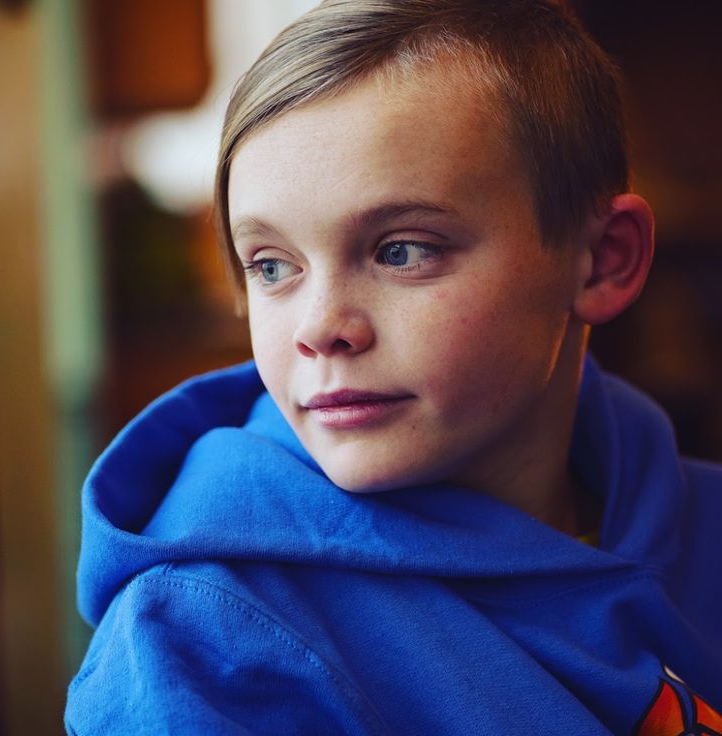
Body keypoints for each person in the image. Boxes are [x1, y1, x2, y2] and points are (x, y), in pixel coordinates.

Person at [65, 1, 722, 733]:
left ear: (604, 259)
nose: (319, 329)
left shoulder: (705, 526)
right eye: (272, 265)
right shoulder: (203, 638)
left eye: (402, 250)